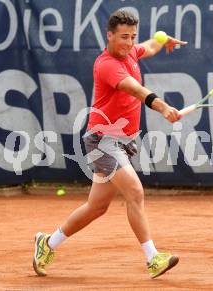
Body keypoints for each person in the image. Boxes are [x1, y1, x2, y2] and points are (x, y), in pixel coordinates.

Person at [32, 9, 187, 279]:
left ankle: (47, 243)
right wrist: (162, 107)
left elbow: (149, 46)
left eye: (132, 37)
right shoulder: (107, 65)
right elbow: (137, 91)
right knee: (135, 193)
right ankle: (153, 258)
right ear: (110, 35)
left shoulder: (131, 54)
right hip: (103, 141)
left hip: (125, 141)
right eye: (123, 37)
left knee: (97, 207)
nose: (128, 43)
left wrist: (163, 41)